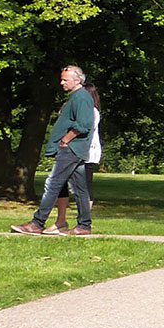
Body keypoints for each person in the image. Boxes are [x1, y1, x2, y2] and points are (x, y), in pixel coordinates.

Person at [11, 66, 96, 236]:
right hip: (75, 149)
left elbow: (85, 124)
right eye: (62, 79)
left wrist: (66, 139)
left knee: (53, 184)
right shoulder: (77, 97)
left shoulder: (81, 98)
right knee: (79, 188)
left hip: (71, 149)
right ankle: (83, 226)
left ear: (77, 80)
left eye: (65, 79)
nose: (62, 82)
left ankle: (37, 223)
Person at [44, 83, 101, 234]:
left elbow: (82, 127)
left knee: (81, 186)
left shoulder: (90, 110)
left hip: (85, 151)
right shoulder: (78, 105)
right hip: (72, 150)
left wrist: (65, 140)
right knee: (63, 184)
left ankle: (81, 223)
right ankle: (63, 221)